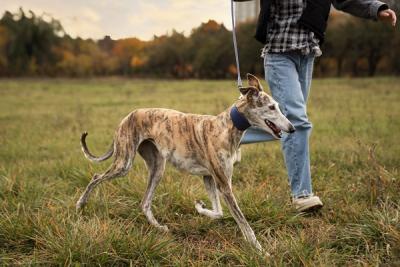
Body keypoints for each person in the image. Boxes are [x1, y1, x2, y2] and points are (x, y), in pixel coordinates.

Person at [235, 0, 397, 212]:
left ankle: (232, 134)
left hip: (307, 55)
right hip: (278, 55)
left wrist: (377, 9)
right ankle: (302, 195)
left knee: (288, 124)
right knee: (297, 121)